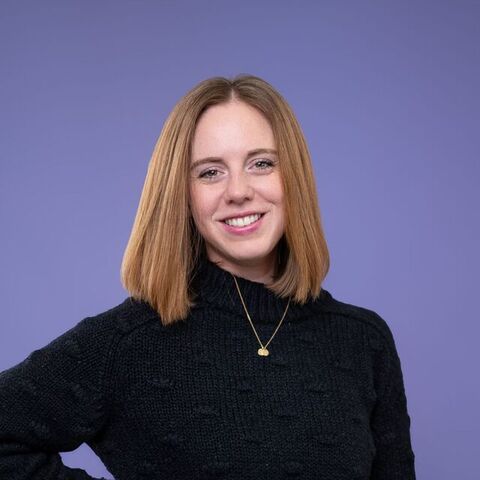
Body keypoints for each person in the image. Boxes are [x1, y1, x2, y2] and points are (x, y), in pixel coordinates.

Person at [0, 74, 416, 479]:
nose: (238, 191)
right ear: (182, 194)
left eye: (261, 163)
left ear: (295, 177)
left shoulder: (365, 341)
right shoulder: (126, 343)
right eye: (210, 172)